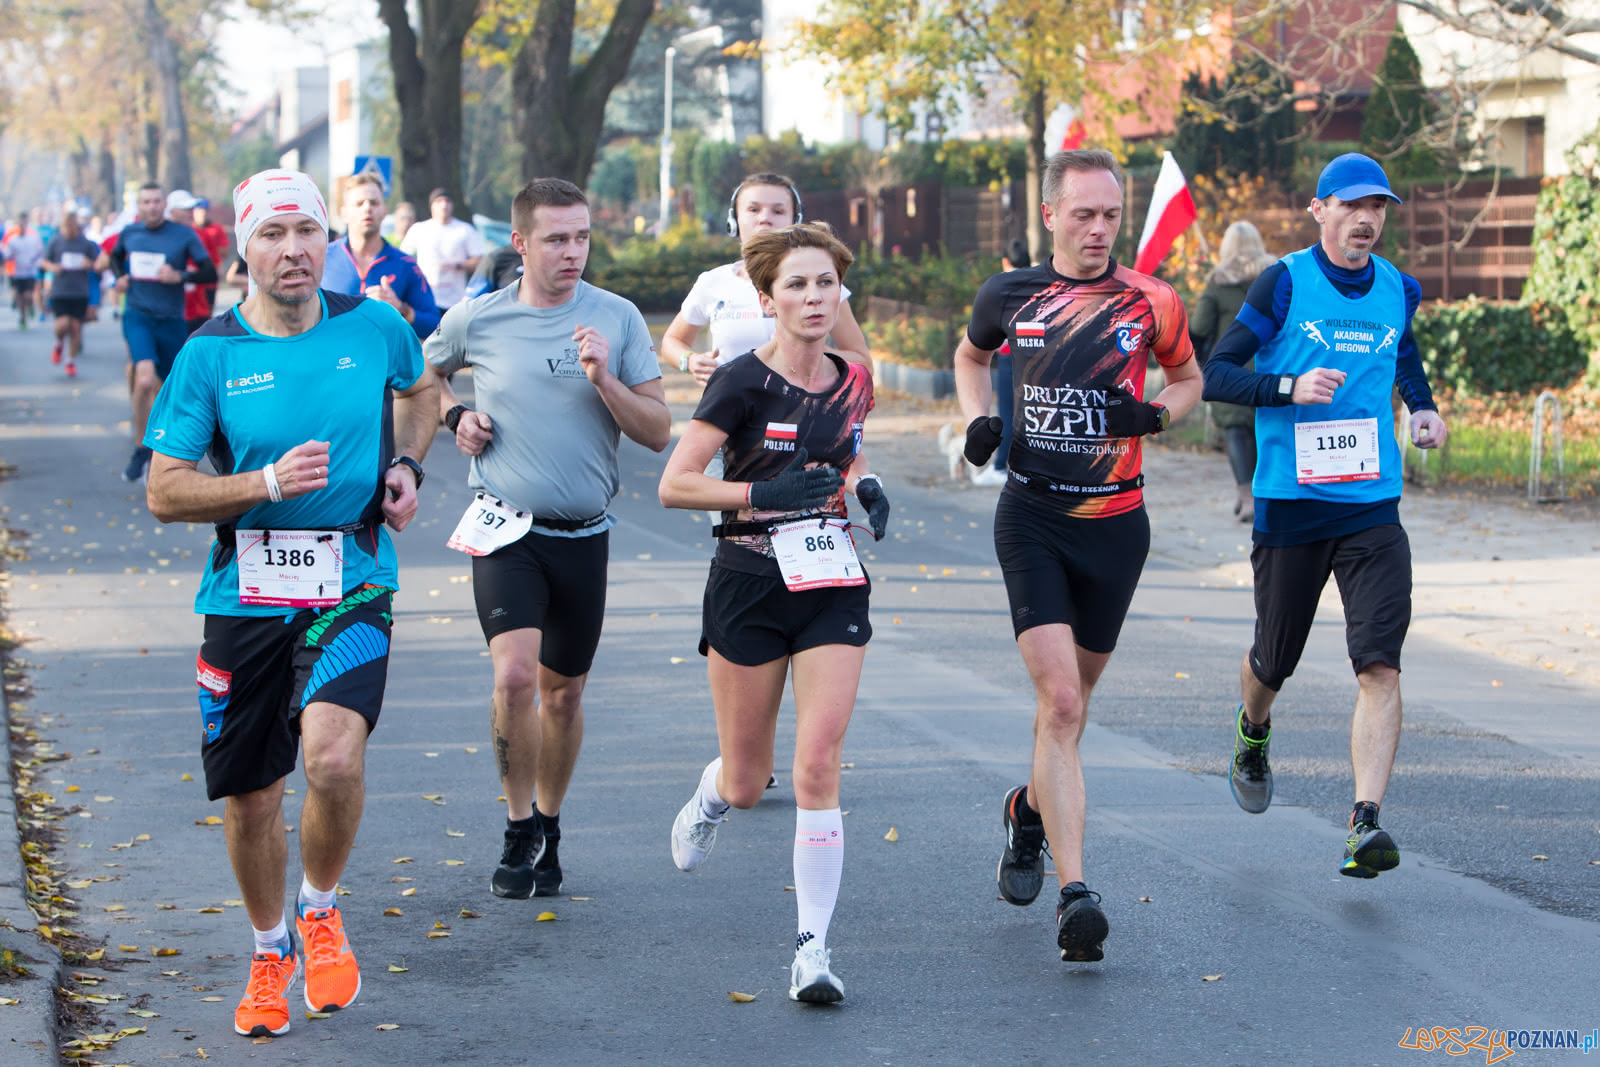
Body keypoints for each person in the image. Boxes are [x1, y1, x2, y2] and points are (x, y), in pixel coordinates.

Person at [143, 168, 441, 1039]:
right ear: (243, 248)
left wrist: (407, 464)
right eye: (272, 235)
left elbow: (422, 390)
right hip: (246, 591)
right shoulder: (211, 353)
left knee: (335, 759)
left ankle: (319, 907)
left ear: (327, 239)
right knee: (251, 797)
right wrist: (262, 482)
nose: (294, 250)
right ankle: (271, 949)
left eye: (306, 231)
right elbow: (165, 490)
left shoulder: (375, 325)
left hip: (352, 577)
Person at [953, 149, 1201, 964]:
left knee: (1074, 705)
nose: (1099, 230)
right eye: (1084, 214)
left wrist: (1155, 417)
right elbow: (970, 355)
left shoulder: (1151, 299)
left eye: (1111, 216)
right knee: (1060, 703)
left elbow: (1188, 378)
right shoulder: (1011, 294)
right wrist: (977, 420)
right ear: (1052, 215)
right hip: (1031, 518)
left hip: (1117, 527)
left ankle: (1027, 810)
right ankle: (1076, 895)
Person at [1200, 153, 1447, 877]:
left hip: (1372, 503)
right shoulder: (1285, 281)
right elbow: (1219, 370)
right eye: (1353, 205)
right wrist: (1288, 385)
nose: (1367, 219)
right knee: (1274, 659)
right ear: (1321, 209)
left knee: (1380, 664)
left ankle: (1364, 822)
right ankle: (1253, 727)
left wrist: (1425, 408)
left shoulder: (1398, 288)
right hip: (1293, 501)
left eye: (1379, 208)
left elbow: (1402, 355)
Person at [660, 222, 887, 1004]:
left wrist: (863, 487)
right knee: (752, 779)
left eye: (826, 283)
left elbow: (847, 455)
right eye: (797, 285)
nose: (815, 297)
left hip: (830, 577)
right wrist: (761, 494)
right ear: (767, 299)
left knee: (818, 763)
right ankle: (713, 793)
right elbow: (676, 483)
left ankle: (812, 951)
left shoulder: (856, 377)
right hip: (750, 580)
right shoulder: (740, 382)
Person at [424, 178, 669, 902]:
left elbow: (657, 431)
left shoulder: (616, 318)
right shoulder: (481, 317)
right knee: (514, 678)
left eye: (583, 236)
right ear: (521, 244)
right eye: (557, 239)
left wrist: (605, 379)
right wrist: (452, 417)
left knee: (563, 696)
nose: (573, 252)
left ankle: (551, 824)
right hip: (507, 527)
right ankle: (516, 820)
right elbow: (419, 372)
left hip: (584, 534)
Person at [661, 173, 871, 385]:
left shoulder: (820, 284)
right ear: (734, 220)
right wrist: (689, 361)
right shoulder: (713, 282)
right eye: (753, 209)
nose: (765, 218)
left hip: (801, 411)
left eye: (778, 211)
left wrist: (817, 353)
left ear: (794, 220)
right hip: (727, 411)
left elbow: (863, 363)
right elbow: (672, 341)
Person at [99, 182, 216, 482]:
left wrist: (180, 275)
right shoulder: (130, 233)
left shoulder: (182, 235)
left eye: (156, 201)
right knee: (144, 377)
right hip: (138, 316)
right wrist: (120, 277)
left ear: (164, 204)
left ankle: (174, 449)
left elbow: (209, 272)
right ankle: (140, 449)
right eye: (145, 202)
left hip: (172, 320)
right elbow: (115, 257)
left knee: (172, 388)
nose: (151, 207)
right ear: (138, 207)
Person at [1190, 221, 1279, 524]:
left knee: (1235, 433)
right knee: (1265, 430)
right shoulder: (1276, 278)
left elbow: (1201, 327)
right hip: (1271, 368)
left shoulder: (1218, 282)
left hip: (1231, 370)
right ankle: (1268, 494)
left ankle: (1247, 497)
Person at [323, 173, 440, 339]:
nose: (367, 208)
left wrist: (401, 309)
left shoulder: (406, 265)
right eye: (359, 203)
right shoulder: (323, 259)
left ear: (385, 211)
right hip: (330, 361)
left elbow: (435, 326)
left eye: (374, 202)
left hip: (386, 364)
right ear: (344, 212)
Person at [970, 237, 1033, 488]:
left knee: (1006, 414)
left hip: (1009, 355)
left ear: (1005, 261)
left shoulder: (1003, 286)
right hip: (1033, 358)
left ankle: (999, 467)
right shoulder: (1037, 284)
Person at [400, 188, 486, 309]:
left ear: (452, 205)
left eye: (447, 201)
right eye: (439, 201)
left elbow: (481, 261)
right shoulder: (419, 229)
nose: (444, 205)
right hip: (425, 298)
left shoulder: (465, 230)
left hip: (455, 301)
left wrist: (458, 265)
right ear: (431, 206)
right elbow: (403, 259)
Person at [40, 210, 101, 377]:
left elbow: (97, 264)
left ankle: (70, 361)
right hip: (60, 290)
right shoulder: (55, 242)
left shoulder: (86, 243)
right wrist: (54, 268)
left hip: (80, 291)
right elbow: (44, 261)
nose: (69, 230)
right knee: (62, 324)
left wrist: (89, 263)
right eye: (66, 227)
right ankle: (59, 342)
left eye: (72, 226)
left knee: (75, 327)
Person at [191, 196, 231, 323]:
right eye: (198, 210)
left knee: (208, 310)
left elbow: (224, 251)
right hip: (194, 276)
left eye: (204, 210)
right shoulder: (190, 230)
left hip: (210, 276)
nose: (201, 214)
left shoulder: (216, 229)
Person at [4, 212, 45, 330]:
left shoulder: (33, 237)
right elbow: (8, 254)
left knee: (27, 295)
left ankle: (31, 304)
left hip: (30, 272)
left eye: (24, 222)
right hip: (17, 272)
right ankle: (23, 317)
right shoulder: (12, 239)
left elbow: (40, 252)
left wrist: (36, 262)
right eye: (20, 223)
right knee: (19, 296)